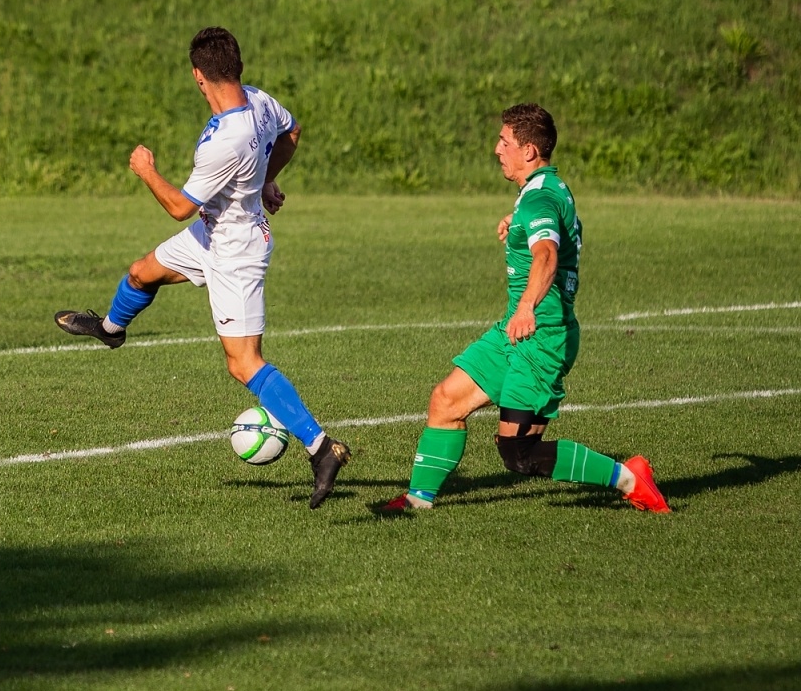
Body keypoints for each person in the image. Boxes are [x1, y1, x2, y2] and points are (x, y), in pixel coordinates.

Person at [54, 26, 350, 508]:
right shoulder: (258, 100)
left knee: (243, 363)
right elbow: (291, 131)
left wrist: (146, 170)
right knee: (140, 272)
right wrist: (264, 182)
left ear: (198, 76)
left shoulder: (225, 141)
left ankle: (321, 449)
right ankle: (110, 328)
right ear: (235, 67)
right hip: (212, 233)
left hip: (235, 251)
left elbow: (178, 207)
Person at [381, 104, 670, 513]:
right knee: (446, 400)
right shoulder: (544, 191)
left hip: (540, 334)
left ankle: (628, 478)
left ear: (530, 151)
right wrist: (514, 222)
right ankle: (416, 501)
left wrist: (527, 307)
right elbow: (551, 224)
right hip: (516, 331)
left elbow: (547, 255)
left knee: (519, 454)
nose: (497, 149)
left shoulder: (537, 200)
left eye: (505, 142)